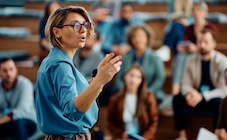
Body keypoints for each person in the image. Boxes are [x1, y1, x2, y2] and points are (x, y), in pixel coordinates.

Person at [35, 6, 122, 140]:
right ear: (57, 32)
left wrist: (91, 85)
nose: (83, 30)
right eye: (75, 25)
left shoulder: (55, 60)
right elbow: (72, 111)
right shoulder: (60, 64)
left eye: (85, 25)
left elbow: (61, 99)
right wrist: (99, 82)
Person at [172, 29, 227, 140]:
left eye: (206, 42)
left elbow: (225, 89)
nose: (202, 45)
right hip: (195, 98)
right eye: (199, 42)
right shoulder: (190, 59)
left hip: (212, 98)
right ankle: (182, 136)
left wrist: (203, 96)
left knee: (220, 103)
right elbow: (185, 83)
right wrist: (191, 92)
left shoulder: (223, 61)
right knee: (177, 98)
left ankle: (215, 136)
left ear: (214, 44)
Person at [172, 1, 217, 95]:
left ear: (205, 13)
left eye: (199, 11)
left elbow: (210, 46)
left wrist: (196, 48)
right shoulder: (189, 28)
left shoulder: (210, 27)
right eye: (194, 11)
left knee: (186, 58)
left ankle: (181, 89)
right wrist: (183, 47)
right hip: (190, 53)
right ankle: (175, 90)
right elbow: (185, 42)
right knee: (180, 57)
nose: (196, 13)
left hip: (204, 53)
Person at [114, 25, 166, 106]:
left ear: (147, 38)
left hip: (149, 94)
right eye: (134, 37)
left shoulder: (155, 58)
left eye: (140, 36)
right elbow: (119, 79)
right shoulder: (125, 58)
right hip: (127, 94)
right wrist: (126, 91)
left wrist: (146, 92)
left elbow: (159, 79)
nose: (137, 39)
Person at [106, 64, 158, 140]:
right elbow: (110, 123)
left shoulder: (148, 98)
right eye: (131, 75)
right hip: (122, 137)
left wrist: (145, 138)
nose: (133, 80)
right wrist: (121, 134)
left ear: (141, 80)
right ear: (125, 77)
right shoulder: (115, 99)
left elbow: (153, 122)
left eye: (138, 77)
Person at [0, 58, 37, 140]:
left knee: (18, 122)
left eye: (11, 69)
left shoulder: (25, 84)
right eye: (4, 71)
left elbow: (22, 110)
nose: (9, 74)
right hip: (6, 122)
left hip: (27, 121)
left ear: (16, 70)